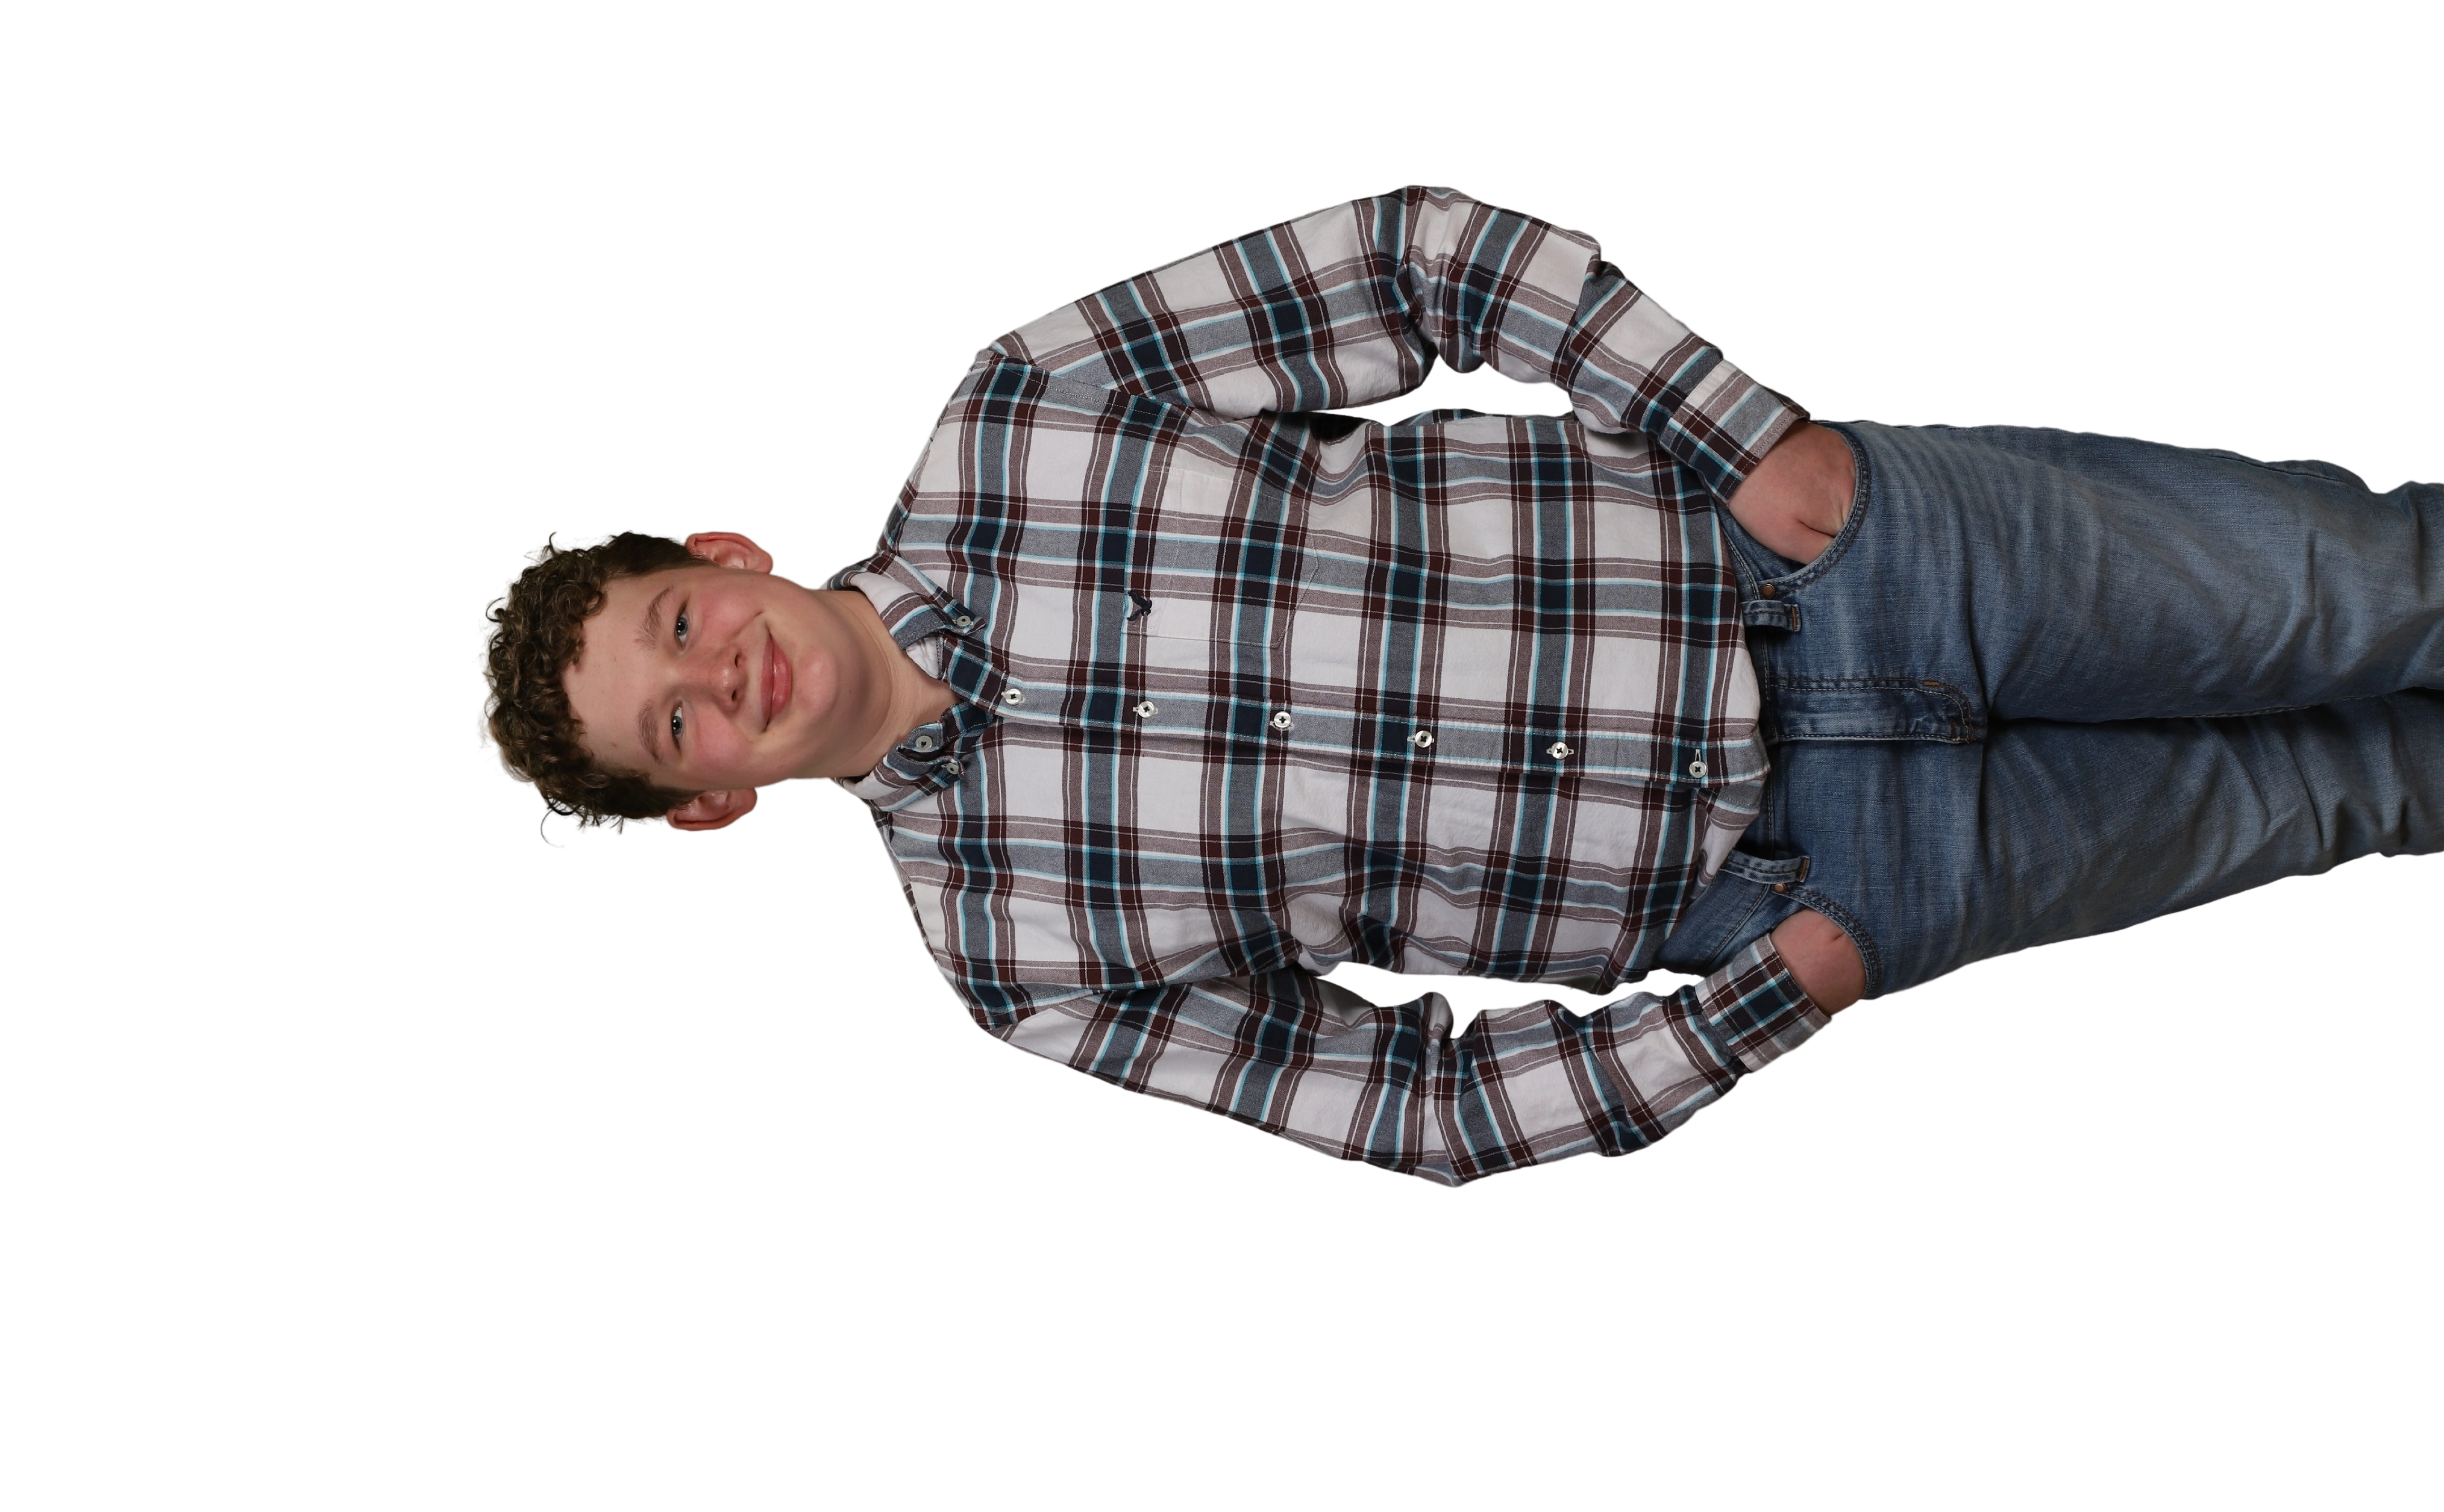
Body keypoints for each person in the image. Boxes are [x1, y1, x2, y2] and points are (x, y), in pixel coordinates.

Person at [471, 184, 2444, 1186]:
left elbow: (1410, 262)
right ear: (712, 800)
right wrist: (1764, 1006)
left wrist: (1743, 436)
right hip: (1831, 883)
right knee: (2357, 794)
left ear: (724, 554)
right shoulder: (1016, 962)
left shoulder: (1026, 410)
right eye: (676, 721)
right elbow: (1406, 1105)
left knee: (2380, 589)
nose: (721, 673)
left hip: (1834, 556)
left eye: (678, 620)